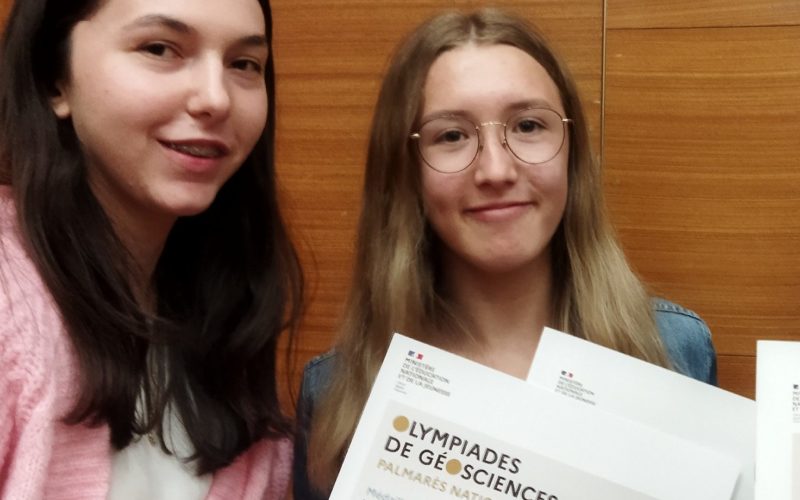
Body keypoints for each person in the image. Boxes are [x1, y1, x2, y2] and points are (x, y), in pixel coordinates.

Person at [291, 8, 717, 499]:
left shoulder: (675, 349)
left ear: (571, 153)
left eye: (529, 125)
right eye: (451, 135)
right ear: (405, 173)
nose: (495, 169)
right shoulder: (336, 393)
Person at [0, 0, 302, 498]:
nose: (215, 98)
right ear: (54, 79)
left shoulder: (222, 316)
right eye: (160, 48)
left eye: (243, 64)